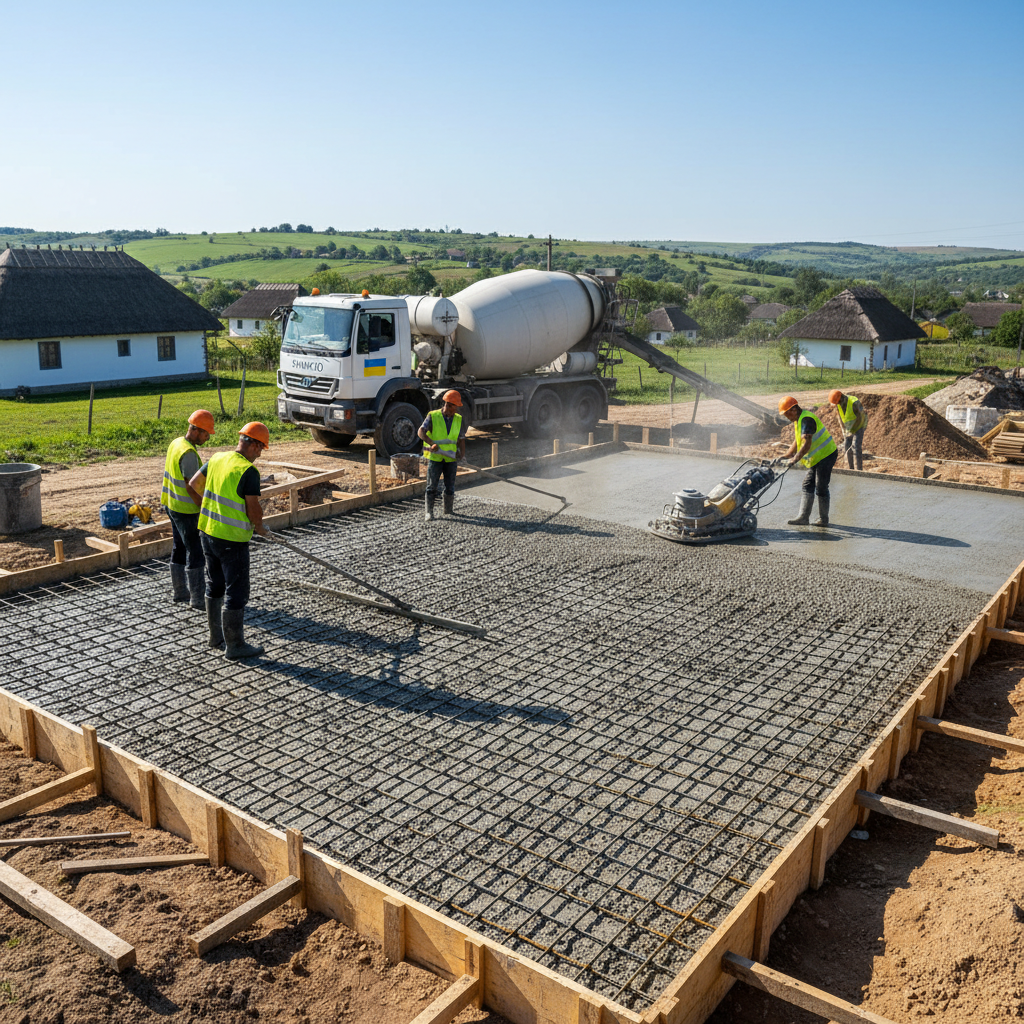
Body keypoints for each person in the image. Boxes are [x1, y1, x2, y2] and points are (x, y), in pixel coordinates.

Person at [189, 422, 275, 659]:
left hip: (207, 532)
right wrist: (259, 527)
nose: (259, 454)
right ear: (253, 444)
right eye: (260, 448)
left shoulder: (217, 458)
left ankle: (216, 638)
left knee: (214, 585)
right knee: (236, 592)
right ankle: (235, 646)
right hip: (232, 541)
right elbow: (253, 508)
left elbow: (195, 483)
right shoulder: (248, 471)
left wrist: (209, 506)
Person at [161, 409, 215, 609]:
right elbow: (192, 486)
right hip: (186, 510)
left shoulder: (176, 443)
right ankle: (198, 599)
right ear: (196, 430)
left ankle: (180, 592)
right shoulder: (189, 453)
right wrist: (204, 507)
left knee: (179, 547)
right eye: (206, 434)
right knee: (196, 552)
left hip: (171, 504)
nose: (207, 438)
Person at [779, 395, 838, 526]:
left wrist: (795, 459)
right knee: (807, 485)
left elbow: (807, 443)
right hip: (817, 457)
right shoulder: (799, 419)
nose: (787, 417)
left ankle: (823, 520)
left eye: (787, 414)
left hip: (826, 455)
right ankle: (803, 518)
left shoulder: (806, 419)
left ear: (794, 409)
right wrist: (788, 454)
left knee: (821, 486)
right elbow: (798, 440)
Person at [417, 390, 466, 521]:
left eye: (456, 408)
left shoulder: (458, 419)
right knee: (432, 486)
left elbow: (461, 439)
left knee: (450, 485)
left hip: (451, 458)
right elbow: (421, 431)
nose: (455, 411)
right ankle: (429, 512)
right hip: (436, 458)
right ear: (447, 405)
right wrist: (431, 443)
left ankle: (448, 510)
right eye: (453, 408)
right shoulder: (433, 416)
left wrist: (462, 455)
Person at [829, 389, 867, 471]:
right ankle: (851, 470)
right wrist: (844, 431)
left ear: (841, 398)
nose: (837, 404)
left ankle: (859, 471)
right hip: (849, 428)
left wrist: (852, 430)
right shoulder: (839, 404)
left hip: (860, 424)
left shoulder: (853, 402)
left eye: (837, 402)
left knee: (856, 447)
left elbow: (861, 417)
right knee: (847, 446)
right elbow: (840, 417)